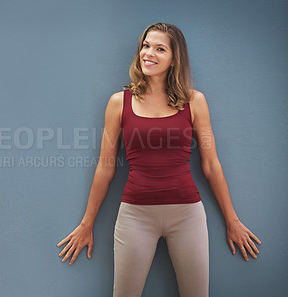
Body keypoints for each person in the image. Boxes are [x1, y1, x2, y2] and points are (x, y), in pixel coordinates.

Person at [57, 22, 261, 297]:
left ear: (174, 59)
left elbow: (211, 165)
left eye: (159, 48)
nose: (148, 53)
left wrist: (232, 220)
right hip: (135, 216)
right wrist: (87, 223)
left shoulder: (194, 101)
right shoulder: (119, 102)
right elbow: (106, 167)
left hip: (187, 215)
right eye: (145, 46)